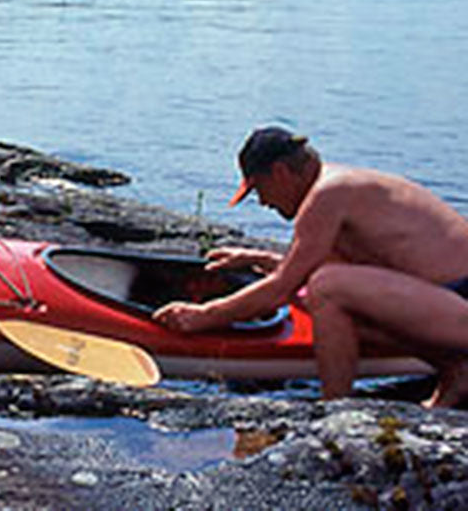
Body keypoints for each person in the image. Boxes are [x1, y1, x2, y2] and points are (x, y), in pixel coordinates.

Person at [152, 126, 468, 407]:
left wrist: (202, 316)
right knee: (323, 297)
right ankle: (455, 371)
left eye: (259, 189)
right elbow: (311, 271)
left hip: (460, 299)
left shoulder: (327, 194)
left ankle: (336, 411)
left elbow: (283, 289)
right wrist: (258, 258)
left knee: (326, 289)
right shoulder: (336, 188)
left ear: (280, 173)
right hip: (449, 300)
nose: (263, 202)